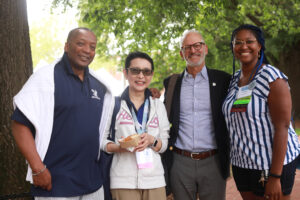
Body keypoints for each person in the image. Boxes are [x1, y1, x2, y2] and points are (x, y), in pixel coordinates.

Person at [11, 27, 113, 200]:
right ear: (67, 46)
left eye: (92, 47)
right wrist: (37, 168)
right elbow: (19, 124)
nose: (87, 50)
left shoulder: (99, 85)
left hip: (92, 182)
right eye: (81, 44)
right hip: (55, 183)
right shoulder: (45, 78)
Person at [222, 24, 300, 200]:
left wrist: (275, 177)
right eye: (238, 42)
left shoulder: (272, 77)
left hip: (271, 166)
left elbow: (283, 127)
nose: (243, 46)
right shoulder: (234, 80)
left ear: (259, 46)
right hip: (242, 163)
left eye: (249, 41)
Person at [162, 30, 231, 200]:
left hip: (213, 160)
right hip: (180, 161)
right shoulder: (171, 83)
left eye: (197, 45)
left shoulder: (223, 80)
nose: (193, 51)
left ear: (205, 48)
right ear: (181, 53)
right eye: (187, 47)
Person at [101, 51, 170, 200]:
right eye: (135, 71)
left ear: (151, 75)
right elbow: (102, 141)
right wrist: (120, 147)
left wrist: (152, 140)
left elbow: (163, 145)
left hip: (155, 180)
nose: (141, 76)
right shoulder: (113, 104)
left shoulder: (158, 106)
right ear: (126, 73)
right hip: (122, 181)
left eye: (146, 72)